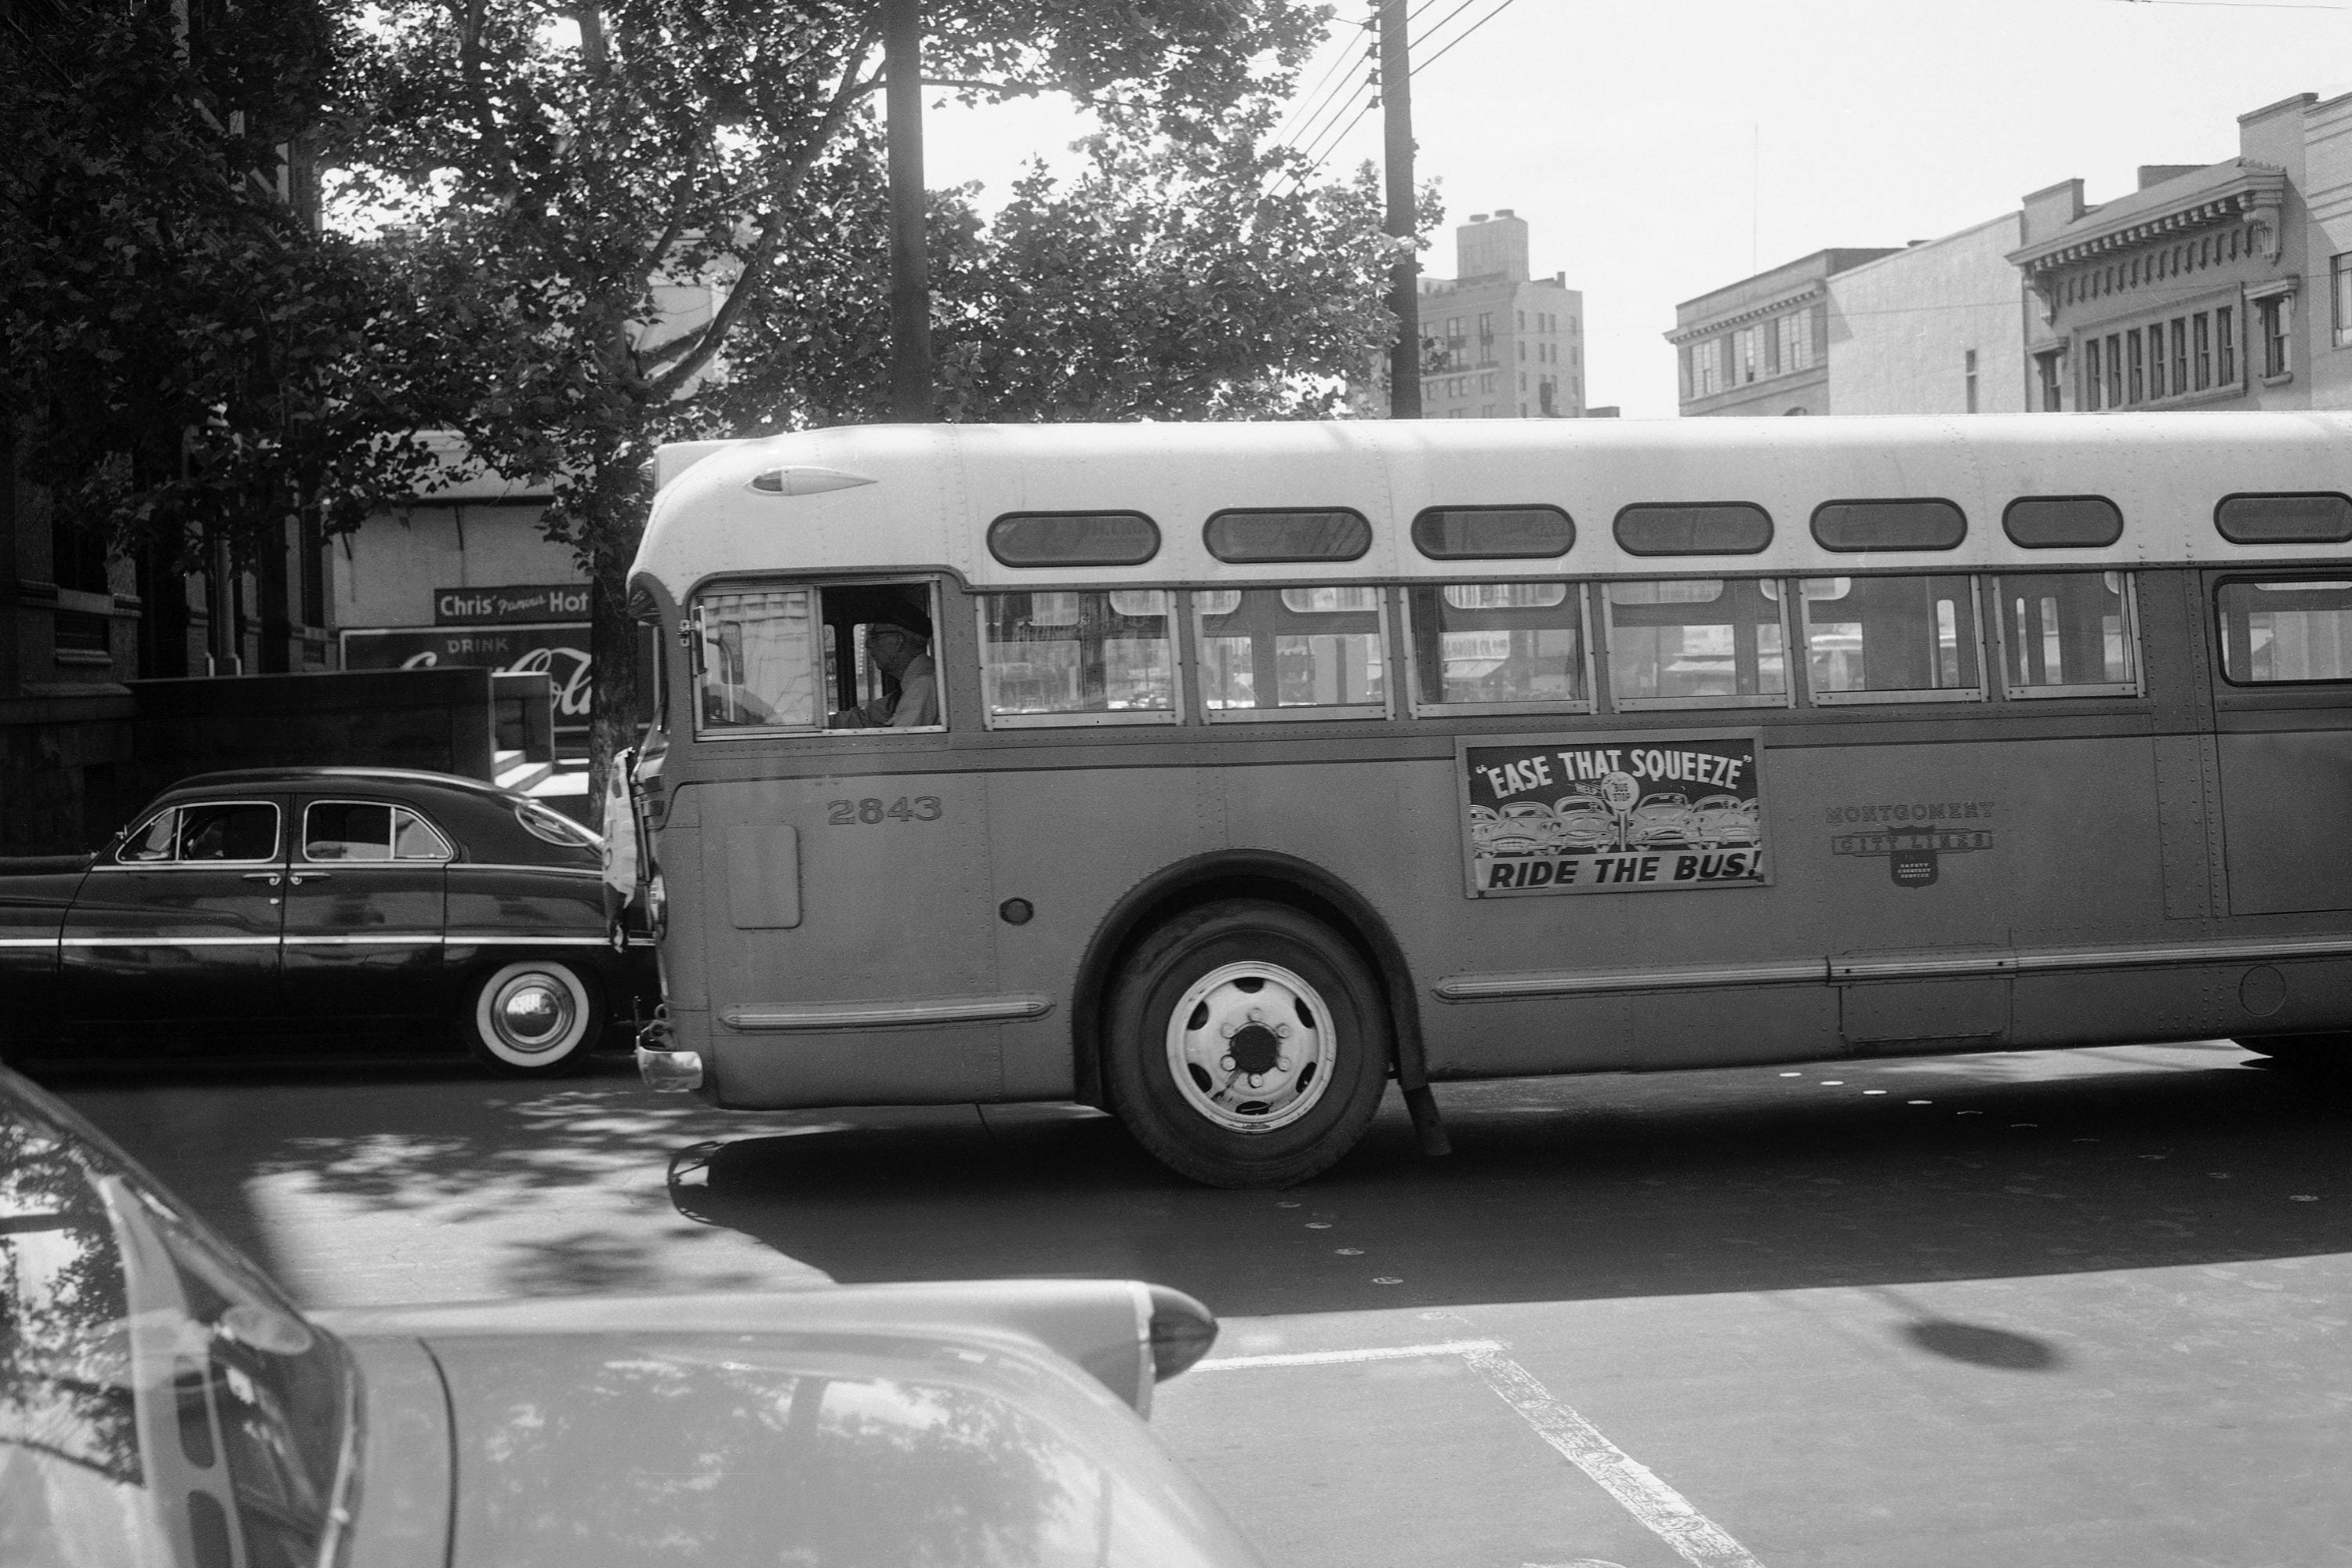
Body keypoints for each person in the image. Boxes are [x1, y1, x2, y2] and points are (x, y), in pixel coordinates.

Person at [828, 615, 938, 729]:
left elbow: (902, 741)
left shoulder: (922, 684)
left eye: (875, 637)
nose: (867, 644)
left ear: (898, 641)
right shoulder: (908, 687)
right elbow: (867, 717)